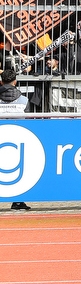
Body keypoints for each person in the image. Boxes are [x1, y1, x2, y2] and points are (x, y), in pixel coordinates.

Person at [0, 69, 31, 211]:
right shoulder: (24, 100)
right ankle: (18, 202)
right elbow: (29, 122)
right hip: (17, 141)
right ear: (15, 82)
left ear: (1, 82)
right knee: (17, 171)